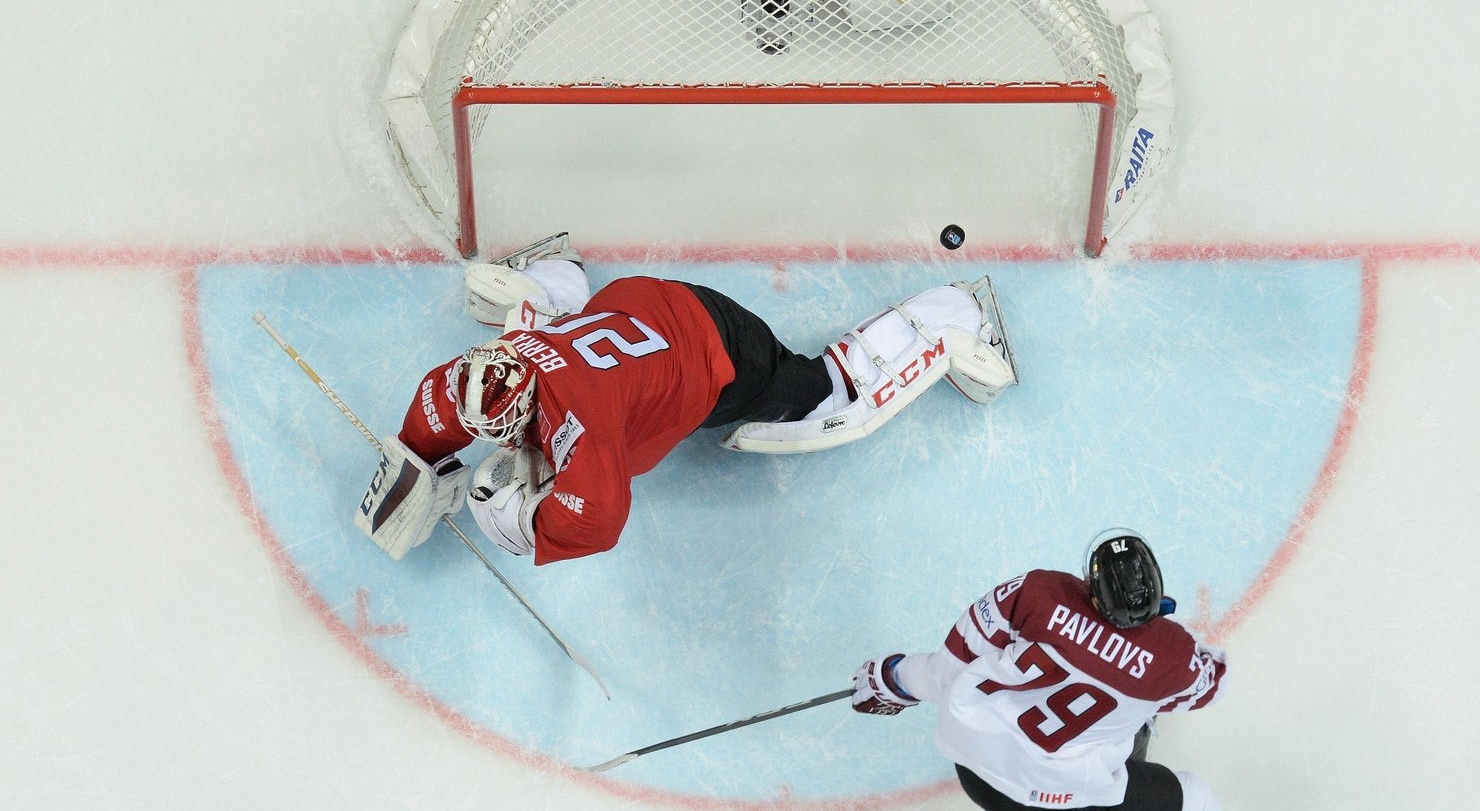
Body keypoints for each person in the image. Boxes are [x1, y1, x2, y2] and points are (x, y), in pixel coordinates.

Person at [355, 233, 1018, 564]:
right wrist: (413, 461)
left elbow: (599, 519)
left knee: (822, 396)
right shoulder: (490, 367)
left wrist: (528, 523)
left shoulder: (582, 428)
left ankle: (954, 317)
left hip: (721, 348)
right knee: (562, 334)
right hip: (643, 302)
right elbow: (434, 411)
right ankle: (556, 272)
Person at [850, 529, 1309, 811]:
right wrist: (1160, 653)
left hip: (975, 773)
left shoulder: (1036, 592)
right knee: (1193, 803)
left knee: (1132, 724)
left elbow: (945, 674)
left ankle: (1128, 745)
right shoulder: (1171, 655)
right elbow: (1211, 685)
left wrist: (890, 678)